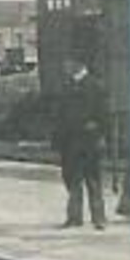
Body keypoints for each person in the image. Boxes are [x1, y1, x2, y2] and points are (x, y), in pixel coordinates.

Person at [52, 59, 108, 230]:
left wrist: (99, 132)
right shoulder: (66, 86)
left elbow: (104, 114)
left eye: (68, 63)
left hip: (89, 140)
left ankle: (99, 218)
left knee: (93, 179)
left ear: (79, 64)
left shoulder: (95, 86)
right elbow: (59, 116)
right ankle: (74, 217)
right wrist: (57, 141)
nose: (65, 66)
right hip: (70, 142)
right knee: (72, 179)